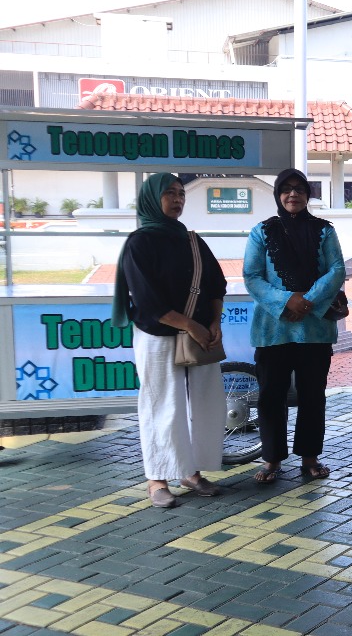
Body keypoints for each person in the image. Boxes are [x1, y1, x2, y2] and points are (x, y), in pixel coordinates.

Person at [111, 173, 227, 508]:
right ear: (152, 198)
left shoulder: (191, 240)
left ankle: (190, 471)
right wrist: (191, 326)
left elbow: (216, 284)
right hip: (159, 335)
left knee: (206, 403)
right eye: (169, 194)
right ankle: (157, 478)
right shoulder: (140, 243)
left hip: (200, 335)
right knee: (161, 404)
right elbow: (148, 300)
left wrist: (214, 321)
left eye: (181, 194)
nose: (177, 200)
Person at [243, 169, 346, 483]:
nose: (293, 195)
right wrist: (287, 300)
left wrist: (308, 300)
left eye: (299, 189)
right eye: (286, 189)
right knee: (271, 397)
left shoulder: (324, 230)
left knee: (312, 396)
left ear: (307, 194)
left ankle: (310, 457)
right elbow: (252, 276)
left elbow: (336, 269)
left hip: (314, 330)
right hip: (273, 329)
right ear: (278, 194)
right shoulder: (262, 231)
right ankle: (272, 459)